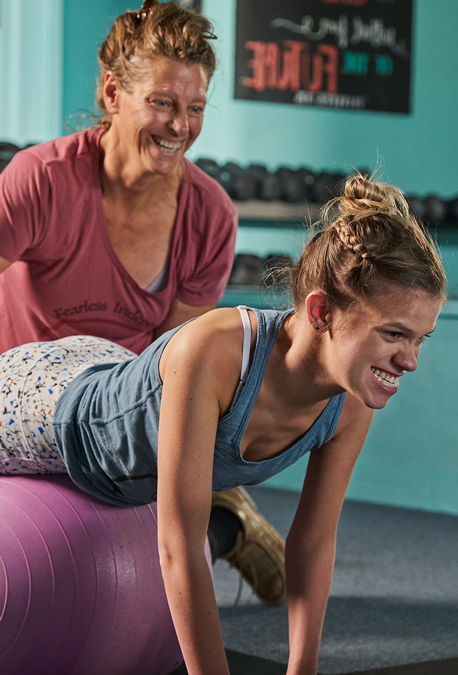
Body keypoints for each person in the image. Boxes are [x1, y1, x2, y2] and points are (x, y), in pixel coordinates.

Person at [0, 173, 447, 675]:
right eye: (394, 334)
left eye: (421, 339)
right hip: (45, 404)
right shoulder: (214, 352)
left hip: (120, 389)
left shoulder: (353, 398)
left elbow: (314, 539)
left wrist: (303, 667)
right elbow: (177, 546)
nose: (410, 361)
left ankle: (221, 504)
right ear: (321, 312)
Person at [0, 0, 285, 602]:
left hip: (121, 407)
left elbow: (177, 358)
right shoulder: (39, 179)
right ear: (112, 94)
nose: (179, 126)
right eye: (161, 102)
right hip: (22, 396)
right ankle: (226, 515)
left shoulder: (210, 216)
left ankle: (222, 515)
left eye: (195, 107)